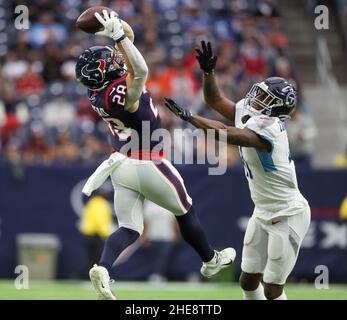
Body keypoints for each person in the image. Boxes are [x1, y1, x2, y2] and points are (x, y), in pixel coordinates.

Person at [75, 11, 235, 300]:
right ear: (107, 71)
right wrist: (120, 36)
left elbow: (129, 47)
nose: (115, 60)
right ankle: (210, 260)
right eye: (110, 62)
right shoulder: (124, 90)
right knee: (185, 210)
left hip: (120, 164)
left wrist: (116, 28)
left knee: (129, 228)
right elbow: (141, 71)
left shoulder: (96, 93)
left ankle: (103, 267)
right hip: (148, 160)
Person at [163, 41, 311, 300]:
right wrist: (208, 73)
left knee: (273, 288)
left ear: (277, 107)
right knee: (248, 280)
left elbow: (228, 134)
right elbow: (215, 99)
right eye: (261, 93)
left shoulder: (270, 130)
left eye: (266, 98)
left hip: (287, 213)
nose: (257, 99)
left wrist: (190, 118)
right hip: (263, 209)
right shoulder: (254, 114)